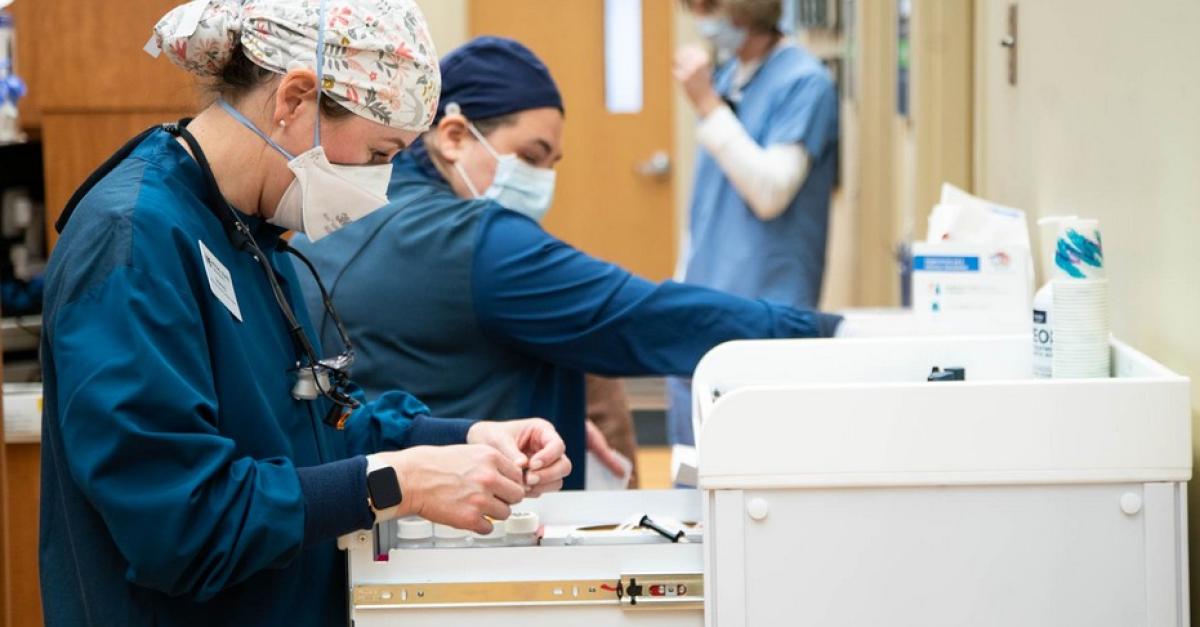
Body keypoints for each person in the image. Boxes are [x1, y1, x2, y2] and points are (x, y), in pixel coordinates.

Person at [39, 4, 569, 625]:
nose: (380, 183)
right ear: (294, 97)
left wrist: (463, 440)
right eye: (378, 152)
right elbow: (182, 525)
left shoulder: (251, 237)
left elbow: (316, 432)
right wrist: (398, 482)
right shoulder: (134, 241)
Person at [292, 36, 842, 491]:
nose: (541, 182)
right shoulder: (480, 244)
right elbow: (646, 317)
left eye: (551, 163)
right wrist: (826, 333)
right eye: (530, 157)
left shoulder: (342, 213)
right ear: (455, 137)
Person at [668, 0, 840, 449]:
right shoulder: (731, 78)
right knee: (696, 474)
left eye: (709, 6)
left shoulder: (805, 83)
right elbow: (708, 209)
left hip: (765, 307)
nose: (700, 17)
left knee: (749, 463)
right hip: (706, 296)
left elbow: (770, 192)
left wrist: (707, 104)